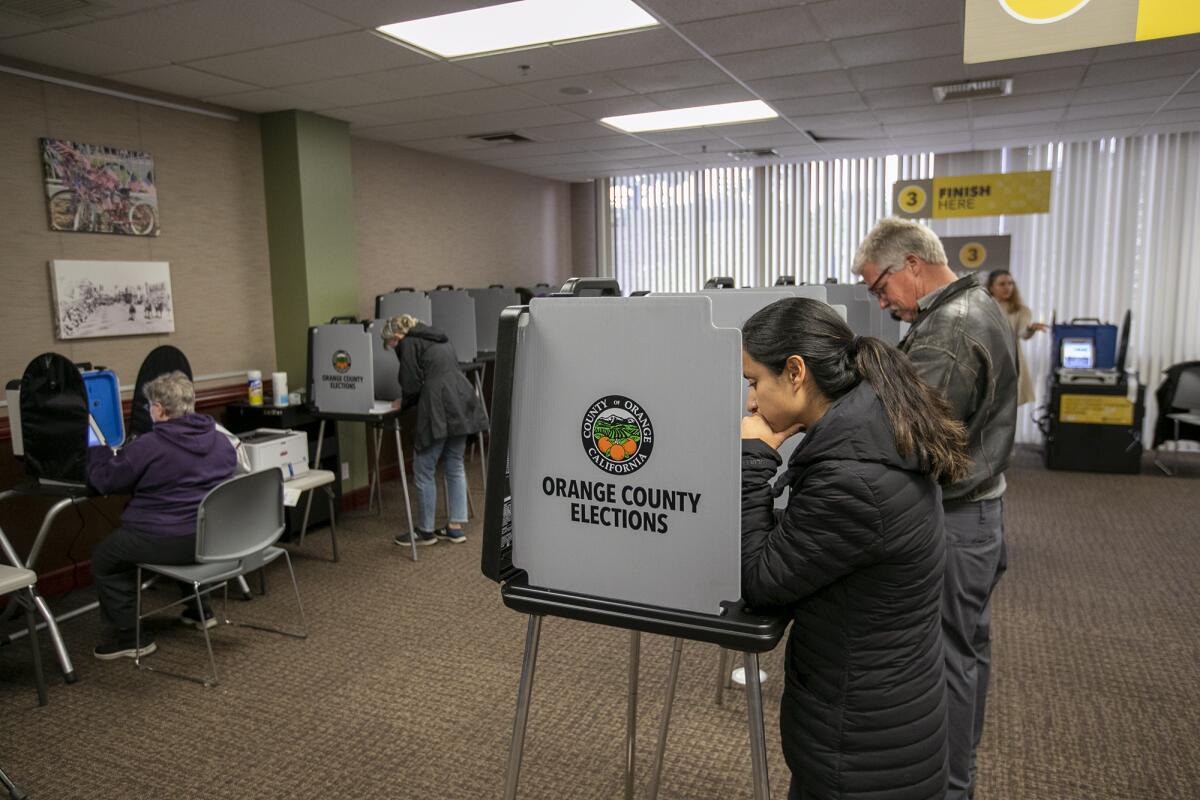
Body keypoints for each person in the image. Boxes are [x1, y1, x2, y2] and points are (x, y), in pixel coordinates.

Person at [741, 297, 968, 800]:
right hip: (884, 724)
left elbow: (758, 582)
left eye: (754, 382)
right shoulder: (873, 430)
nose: (752, 403)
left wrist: (753, 458)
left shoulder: (853, 479)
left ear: (795, 372)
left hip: (862, 753)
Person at [853, 218, 1018, 800]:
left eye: (880, 287)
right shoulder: (973, 304)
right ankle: (957, 780)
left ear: (912, 265)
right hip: (977, 510)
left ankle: (950, 788)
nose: (880, 301)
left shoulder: (948, 331)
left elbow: (911, 441)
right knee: (964, 653)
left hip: (954, 518)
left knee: (947, 662)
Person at [87, 371, 236, 659]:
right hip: (211, 538)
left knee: (107, 558)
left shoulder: (149, 446)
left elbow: (106, 480)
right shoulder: (220, 440)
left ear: (158, 409)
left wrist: (97, 452)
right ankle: (200, 611)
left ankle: (131, 638)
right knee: (182, 526)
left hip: (168, 539)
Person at [380, 314, 488, 547]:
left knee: (423, 467)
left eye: (389, 343)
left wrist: (403, 402)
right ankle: (455, 528)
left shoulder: (408, 343)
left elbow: (409, 382)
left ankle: (426, 531)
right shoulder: (438, 336)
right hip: (461, 398)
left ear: (396, 336)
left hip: (438, 404)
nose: (390, 348)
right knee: (455, 463)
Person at [987, 269, 1048, 406]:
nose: (1007, 287)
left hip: (1010, 361)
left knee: (1006, 407)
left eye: (1010, 283)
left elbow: (1023, 333)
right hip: (987, 360)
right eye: (1002, 284)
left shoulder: (1021, 310)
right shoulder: (981, 307)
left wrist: (1030, 329)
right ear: (991, 287)